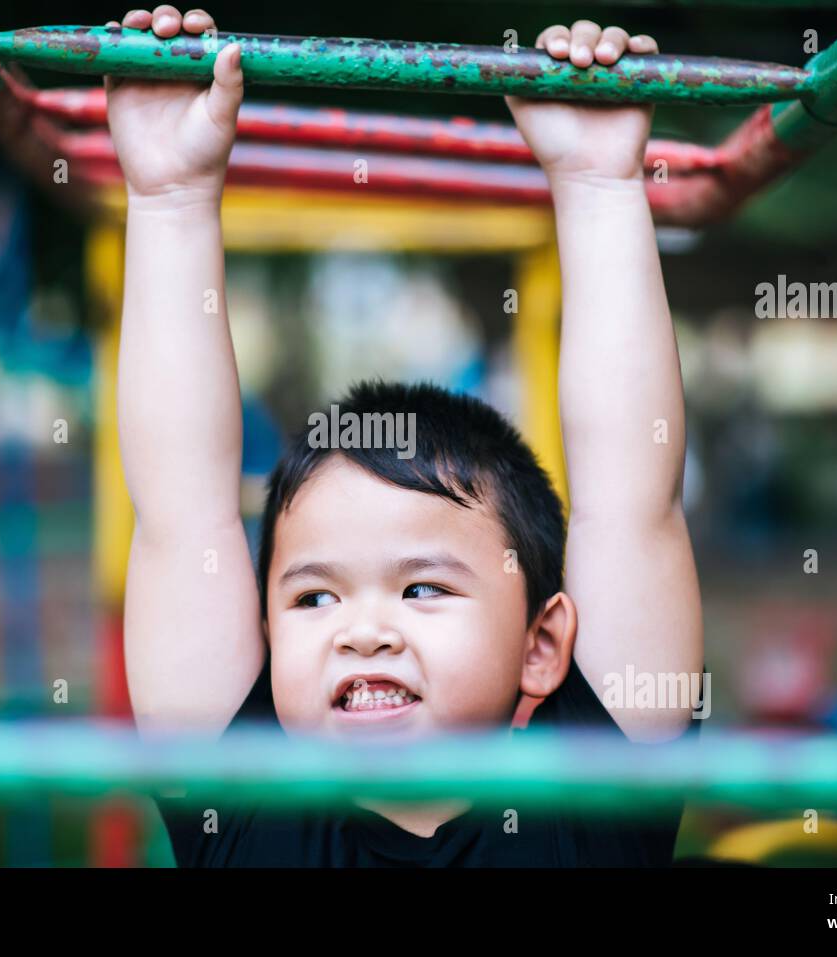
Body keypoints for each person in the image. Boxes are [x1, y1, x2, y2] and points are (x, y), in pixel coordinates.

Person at [107, 5, 704, 866]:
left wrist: (600, 186)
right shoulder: (240, 804)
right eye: (313, 599)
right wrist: (167, 196)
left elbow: (631, 502)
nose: (363, 632)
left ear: (542, 646)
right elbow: (178, 510)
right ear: (264, 643)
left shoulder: (595, 792)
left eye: (422, 589)